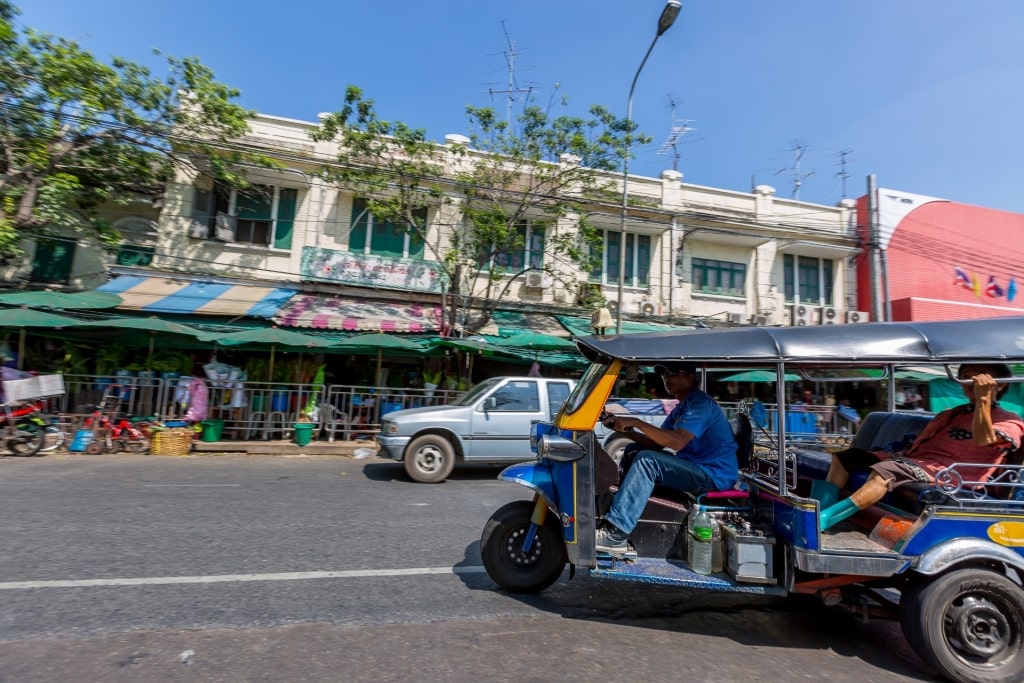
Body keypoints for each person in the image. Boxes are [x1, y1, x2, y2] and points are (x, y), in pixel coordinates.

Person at [814, 363, 1024, 530]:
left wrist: (984, 400)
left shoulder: (1010, 421)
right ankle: (823, 506)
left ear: (1001, 384)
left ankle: (827, 518)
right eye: (967, 376)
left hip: (951, 474)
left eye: (979, 376)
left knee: (885, 472)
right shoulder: (953, 413)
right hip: (919, 461)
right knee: (845, 457)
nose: (972, 381)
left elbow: (983, 439)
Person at [595, 361, 739, 555]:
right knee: (633, 450)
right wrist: (625, 430)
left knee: (648, 461)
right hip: (696, 467)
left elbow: (676, 442)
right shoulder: (681, 407)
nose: (666, 379)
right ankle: (621, 512)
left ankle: (615, 534)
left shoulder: (700, 404)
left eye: (672, 373)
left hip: (712, 476)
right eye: (664, 375)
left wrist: (637, 421)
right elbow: (657, 443)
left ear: (689, 378)